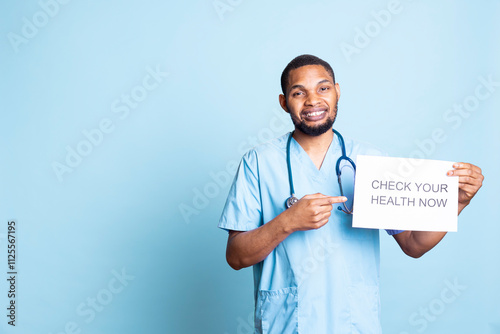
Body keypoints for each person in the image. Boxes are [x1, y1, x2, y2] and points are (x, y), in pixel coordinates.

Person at [218, 54, 484, 333]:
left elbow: (413, 244)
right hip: (288, 324)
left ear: (337, 91)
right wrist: (287, 222)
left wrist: (456, 203)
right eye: (299, 92)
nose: (313, 100)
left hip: (354, 323)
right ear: (284, 102)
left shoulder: (370, 160)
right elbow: (236, 257)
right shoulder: (258, 163)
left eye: (323, 88)